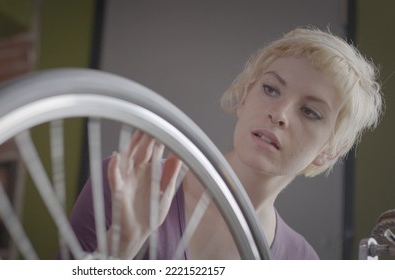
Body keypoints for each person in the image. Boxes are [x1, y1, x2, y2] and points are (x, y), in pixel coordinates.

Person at [69, 27, 384, 259]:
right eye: (271, 89)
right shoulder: (124, 184)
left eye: (310, 112)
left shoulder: (302, 260)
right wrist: (122, 244)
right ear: (244, 98)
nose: (279, 114)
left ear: (329, 152)